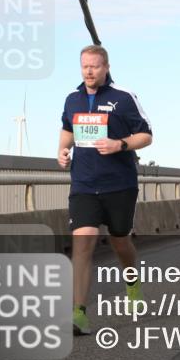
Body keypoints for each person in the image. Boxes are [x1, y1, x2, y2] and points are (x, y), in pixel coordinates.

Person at [58, 45, 152, 336]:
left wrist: (119, 144)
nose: (89, 71)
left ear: (106, 67)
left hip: (119, 184)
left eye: (95, 66)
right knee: (82, 243)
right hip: (84, 184)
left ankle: (132, 283)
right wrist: (62, 151)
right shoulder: (72, 99)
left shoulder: (123, 98)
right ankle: (78, 314)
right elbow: (67, 129)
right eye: (84, 66)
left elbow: (147, 135)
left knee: (120, 241)